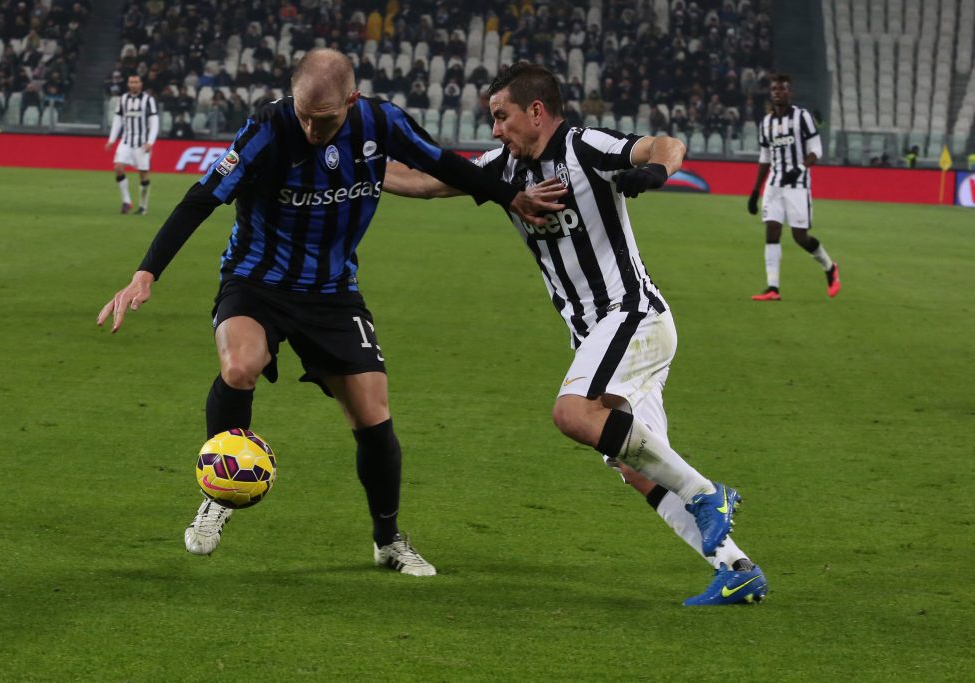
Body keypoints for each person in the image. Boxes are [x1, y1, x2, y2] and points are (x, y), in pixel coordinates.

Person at [96, 49, 560, 577]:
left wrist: (510, 197)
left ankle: (388, 540)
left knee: (373, 413)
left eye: (326, 119)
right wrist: (146, 272)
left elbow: (440, 163)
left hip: (332, 292)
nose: (313, 130)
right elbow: (202, 197)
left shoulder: (379, 120)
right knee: (239, 365)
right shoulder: (267, 128)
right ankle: (219, 496)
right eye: (305, 116)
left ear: (352, 100)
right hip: (256, 282)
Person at [383, 62, 768, 605]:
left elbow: (666, 143)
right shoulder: (500, 168)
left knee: (572, 413)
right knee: (633, 464)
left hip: (631, 314)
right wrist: (351, 165)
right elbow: (423, 182)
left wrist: (654, 173)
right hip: (600, 334)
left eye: (501, 116)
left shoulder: (585, 147)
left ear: (536, 111)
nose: (495, 130)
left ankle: (709, 493)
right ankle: (736, 567)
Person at [747, 73, 839, 301]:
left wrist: (800, 167)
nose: (778, 92)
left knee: (800, 237)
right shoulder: (766, 123)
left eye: (782, 89)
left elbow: (816, 150)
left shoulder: (802, 117)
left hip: (798, 186)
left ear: (790, 93)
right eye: (774, 89)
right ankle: (772, 287)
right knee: (772, 229)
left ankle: (829, 267)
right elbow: (765, 157)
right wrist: (755, 191)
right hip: (774, 185)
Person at [104, 74, 159, 215]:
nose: (134, 84)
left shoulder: (148, 100)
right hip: (126, 141)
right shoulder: (123, 99)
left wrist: (150, 142)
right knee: (118, 167)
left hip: (142, 143)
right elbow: (118, 120)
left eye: (136, 82)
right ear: (128, 84)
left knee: (143, 174)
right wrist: (112, 139)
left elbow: (154, 122)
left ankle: (143, 206)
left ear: (141, 84)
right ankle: (127, 201)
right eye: (131, 82)